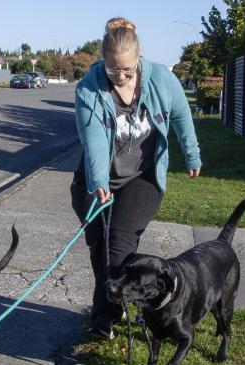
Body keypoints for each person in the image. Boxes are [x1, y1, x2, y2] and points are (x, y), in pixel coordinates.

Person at [71, 17, 202, 340]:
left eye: (128, 71)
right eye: (113, 70)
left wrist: (192, 153)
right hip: (96, 178)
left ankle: (122, 313)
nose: (120, 76)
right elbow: (95, 142)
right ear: (103, 60)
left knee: (119, 246)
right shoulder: (89, 89)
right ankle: (108, 310)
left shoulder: (160, 78)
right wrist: (99, 181)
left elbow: (181, 115)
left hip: (142, 177)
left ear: (139, 59)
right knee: (99, 248)